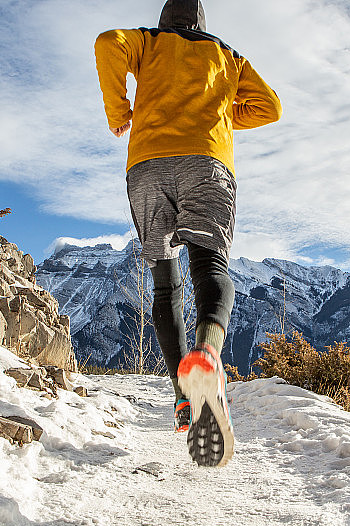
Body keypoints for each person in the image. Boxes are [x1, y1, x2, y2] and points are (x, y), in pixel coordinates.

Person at [94, 0, 281, 467]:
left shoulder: (147, 42)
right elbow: (270, 107)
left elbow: (106, 43)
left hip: (147, 166)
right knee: (210, 265)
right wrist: (218, 112)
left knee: (165, 281)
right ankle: (207, 356)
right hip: (206, 163)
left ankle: (184, 396)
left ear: (164, 20)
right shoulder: (226, 55)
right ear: (202, 23)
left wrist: (121, 109)